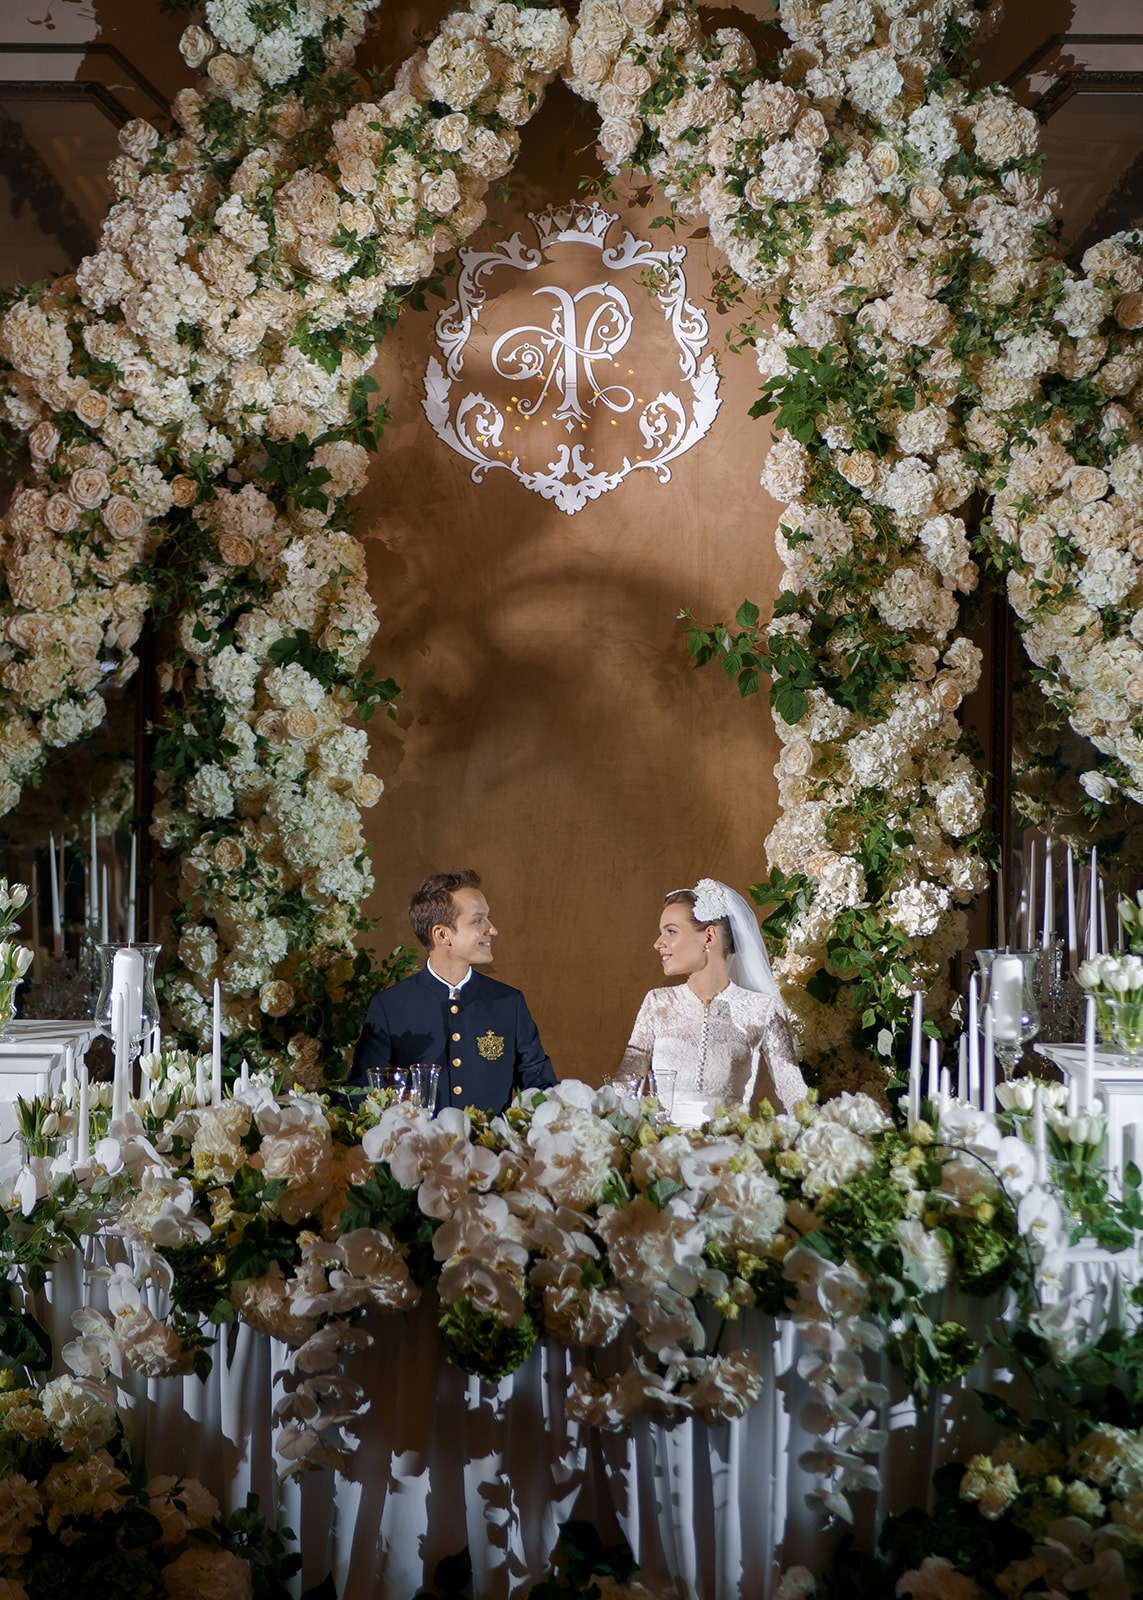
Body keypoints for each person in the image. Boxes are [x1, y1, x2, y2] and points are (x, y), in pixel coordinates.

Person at [352, 869, 556, 1115]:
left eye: (487, 918)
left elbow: (541, 1090)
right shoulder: (390, 1006)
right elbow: (362, 1096)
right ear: (442, 934)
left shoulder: (509, 1002)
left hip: (492, 1152)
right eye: (478, 920)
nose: (492, 930)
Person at [619, 878, 807, 1124]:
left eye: (671, 931)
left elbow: (795, 1094)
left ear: (709, 937)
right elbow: (623, 1089)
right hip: (664, 1152)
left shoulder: (760, 1009)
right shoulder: (658, 1003)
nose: (658, 943)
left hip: (730, 1153)